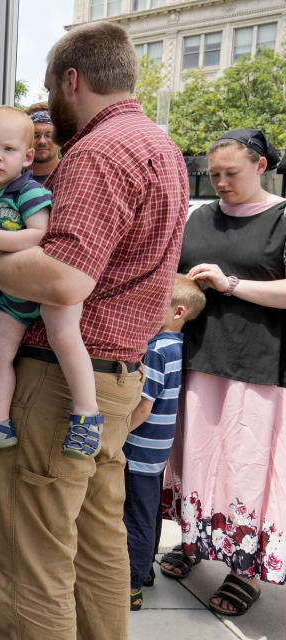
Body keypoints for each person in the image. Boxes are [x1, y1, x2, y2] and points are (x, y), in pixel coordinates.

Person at [0, 23, 188, 638]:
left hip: (57, 386)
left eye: (47, 86)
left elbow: (64, 279)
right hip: (111, 383)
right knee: (97, 544)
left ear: (71, 80)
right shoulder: (158, 146)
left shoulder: (96, 152)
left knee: (30, 558)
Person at [162, 128, 286, 617]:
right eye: (213, 174)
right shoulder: (199, 217)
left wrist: (230, 284)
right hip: (198, 354)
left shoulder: (282, 217)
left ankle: (244, 568)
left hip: (257, 362)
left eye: (230, 173)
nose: (220, 183)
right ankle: (197, 539)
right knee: (195, 453)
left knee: (245, 462)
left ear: (260, 167)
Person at [0, 105, 102, 461]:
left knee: (64, 337)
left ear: (28, 156)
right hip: (9, 294)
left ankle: (88, 414)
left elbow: (39, 235)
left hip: (46, 288)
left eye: (8, 150)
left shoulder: (28, 192)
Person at [123, 274, 204, 611]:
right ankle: (146, 571)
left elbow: (144, 406)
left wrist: (118, 432)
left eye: (154, 303)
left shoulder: (156, 351)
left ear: (177, 311)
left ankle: (131, 583)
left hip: (140, 446)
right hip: (158, 449)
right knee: (149, 511)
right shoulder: (179, 347)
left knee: (134, 516)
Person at [24, 102, 60, 184]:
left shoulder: (70, 175)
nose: (42, 141)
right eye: (35, 135)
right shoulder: (12, 177)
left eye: (49, 135)